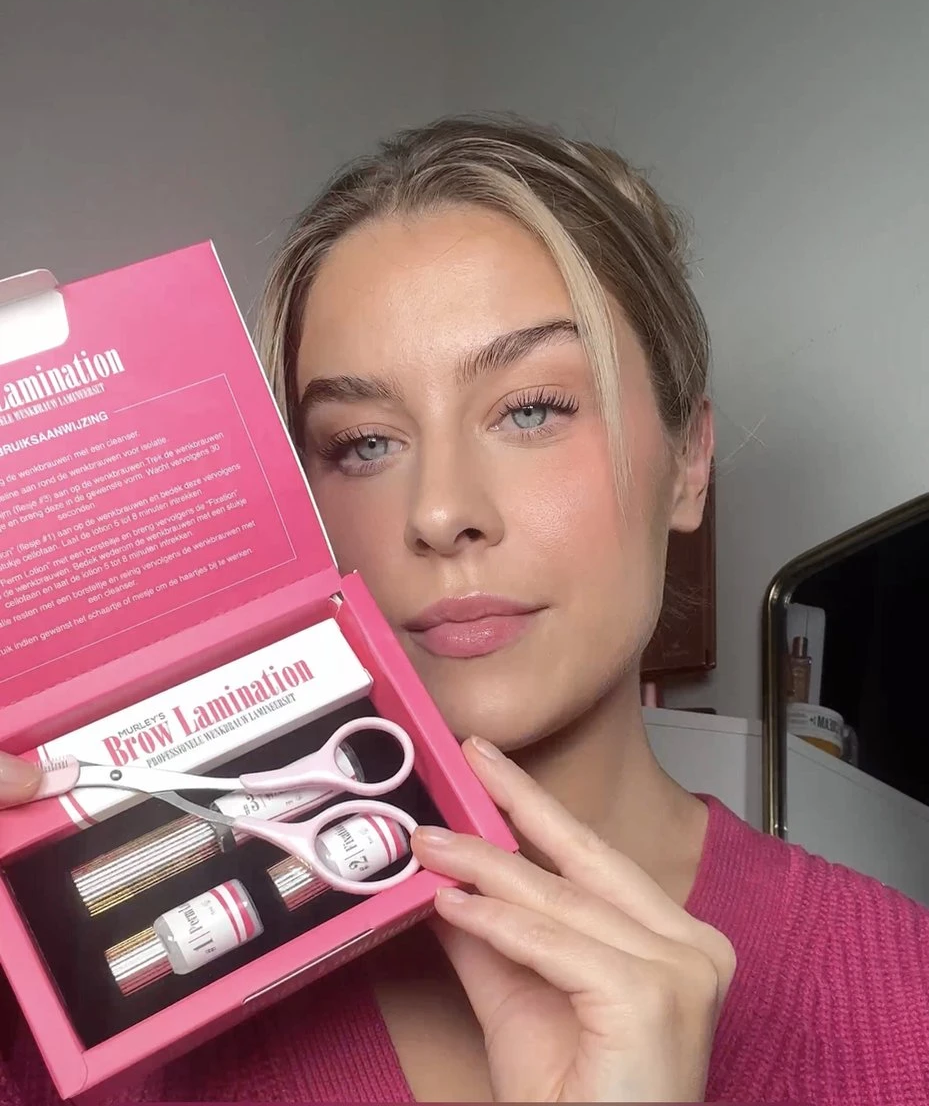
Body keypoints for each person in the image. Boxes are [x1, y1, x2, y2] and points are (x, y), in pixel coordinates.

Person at [1, 114, 927, 1105]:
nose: (439, 514)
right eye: (362, 443)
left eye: (530, 410)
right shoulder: (75, 1009)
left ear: (687, 463)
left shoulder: (901, 1005)